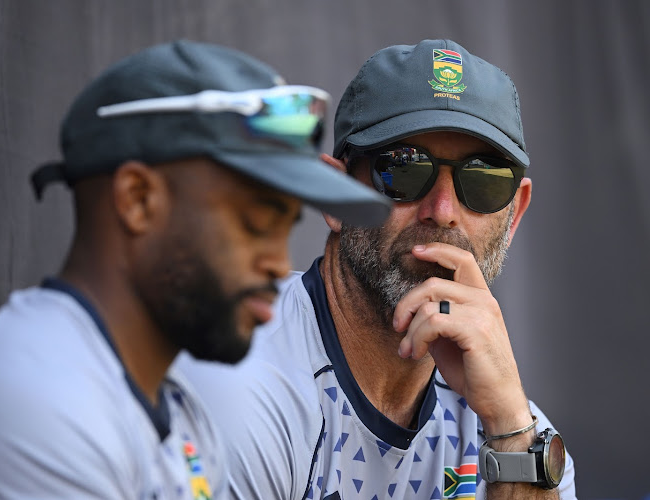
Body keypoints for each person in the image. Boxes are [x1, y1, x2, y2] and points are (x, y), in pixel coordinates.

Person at [0, 40, 391, 499]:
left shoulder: (176, 408)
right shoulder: (36, 410)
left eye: (285, 226)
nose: (278, 262)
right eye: (254, 221)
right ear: (137, 200)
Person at [177, 39, 578, 499]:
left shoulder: (521, 438)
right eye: (403, 170)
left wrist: (509, 426)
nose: (443, 210)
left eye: (482, 180)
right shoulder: (245, 381)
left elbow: (518, 438)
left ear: (514, 215)